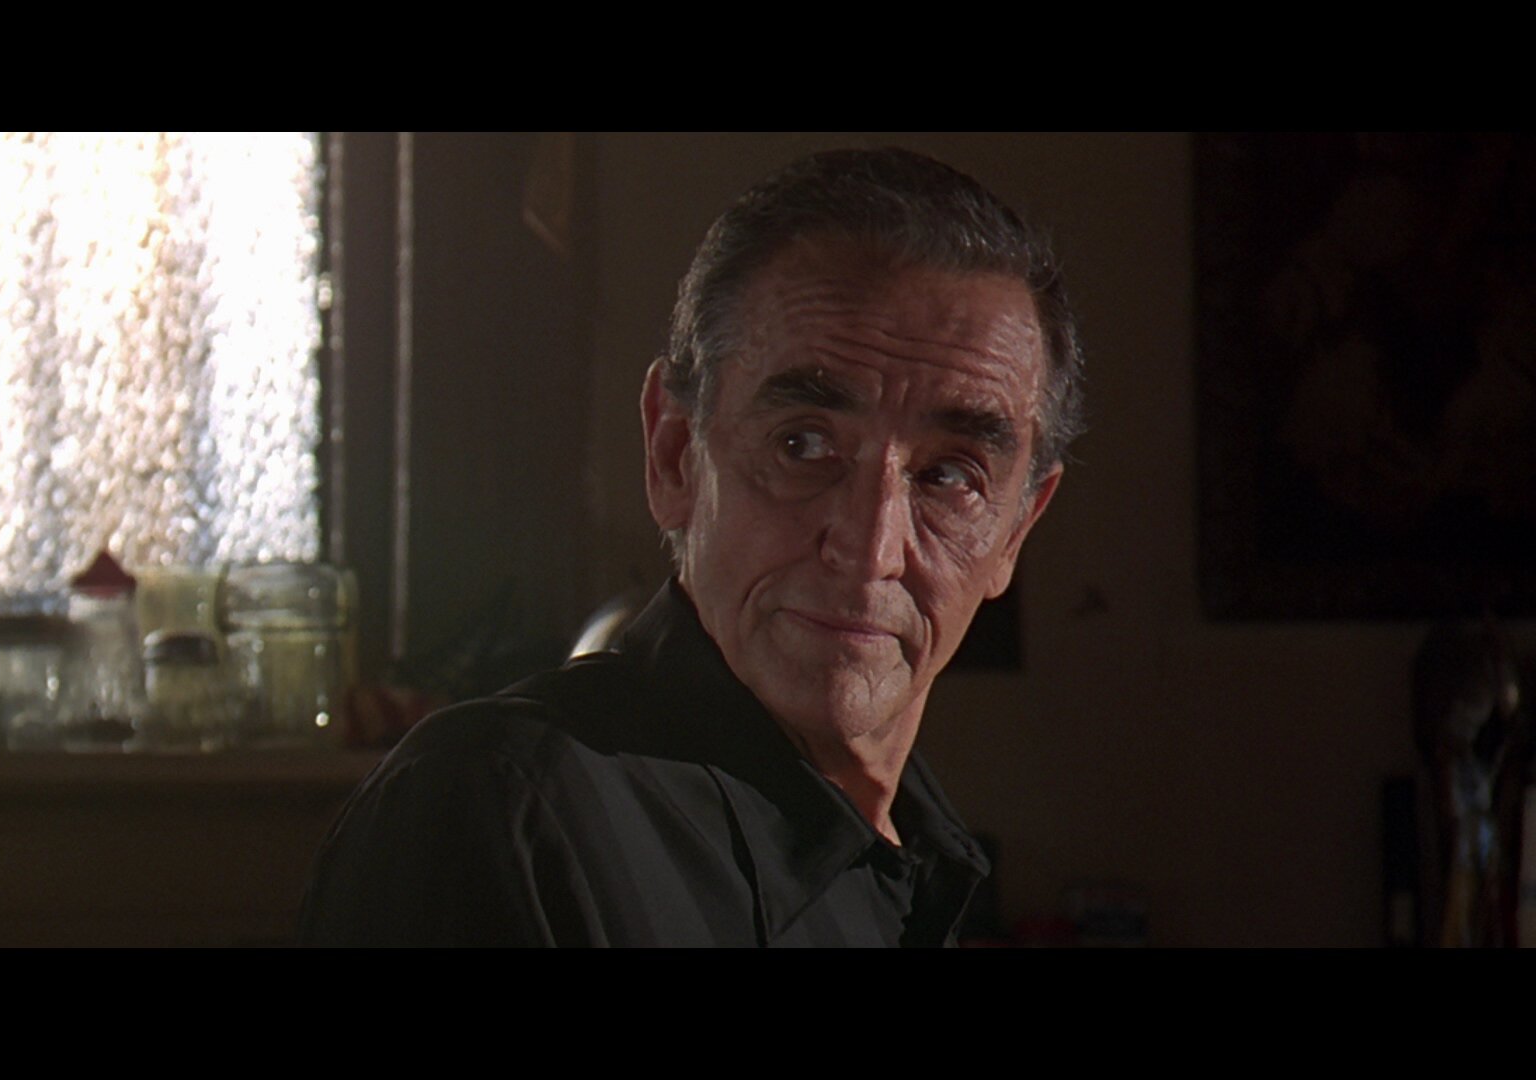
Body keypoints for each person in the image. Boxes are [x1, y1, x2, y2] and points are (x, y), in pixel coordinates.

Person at [300, 145, 1083, 947]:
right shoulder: (501, 810)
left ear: (1015, 532)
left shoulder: (914, 863)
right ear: (674, 454)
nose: (871, 548)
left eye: (949, 476)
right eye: (803, 445)